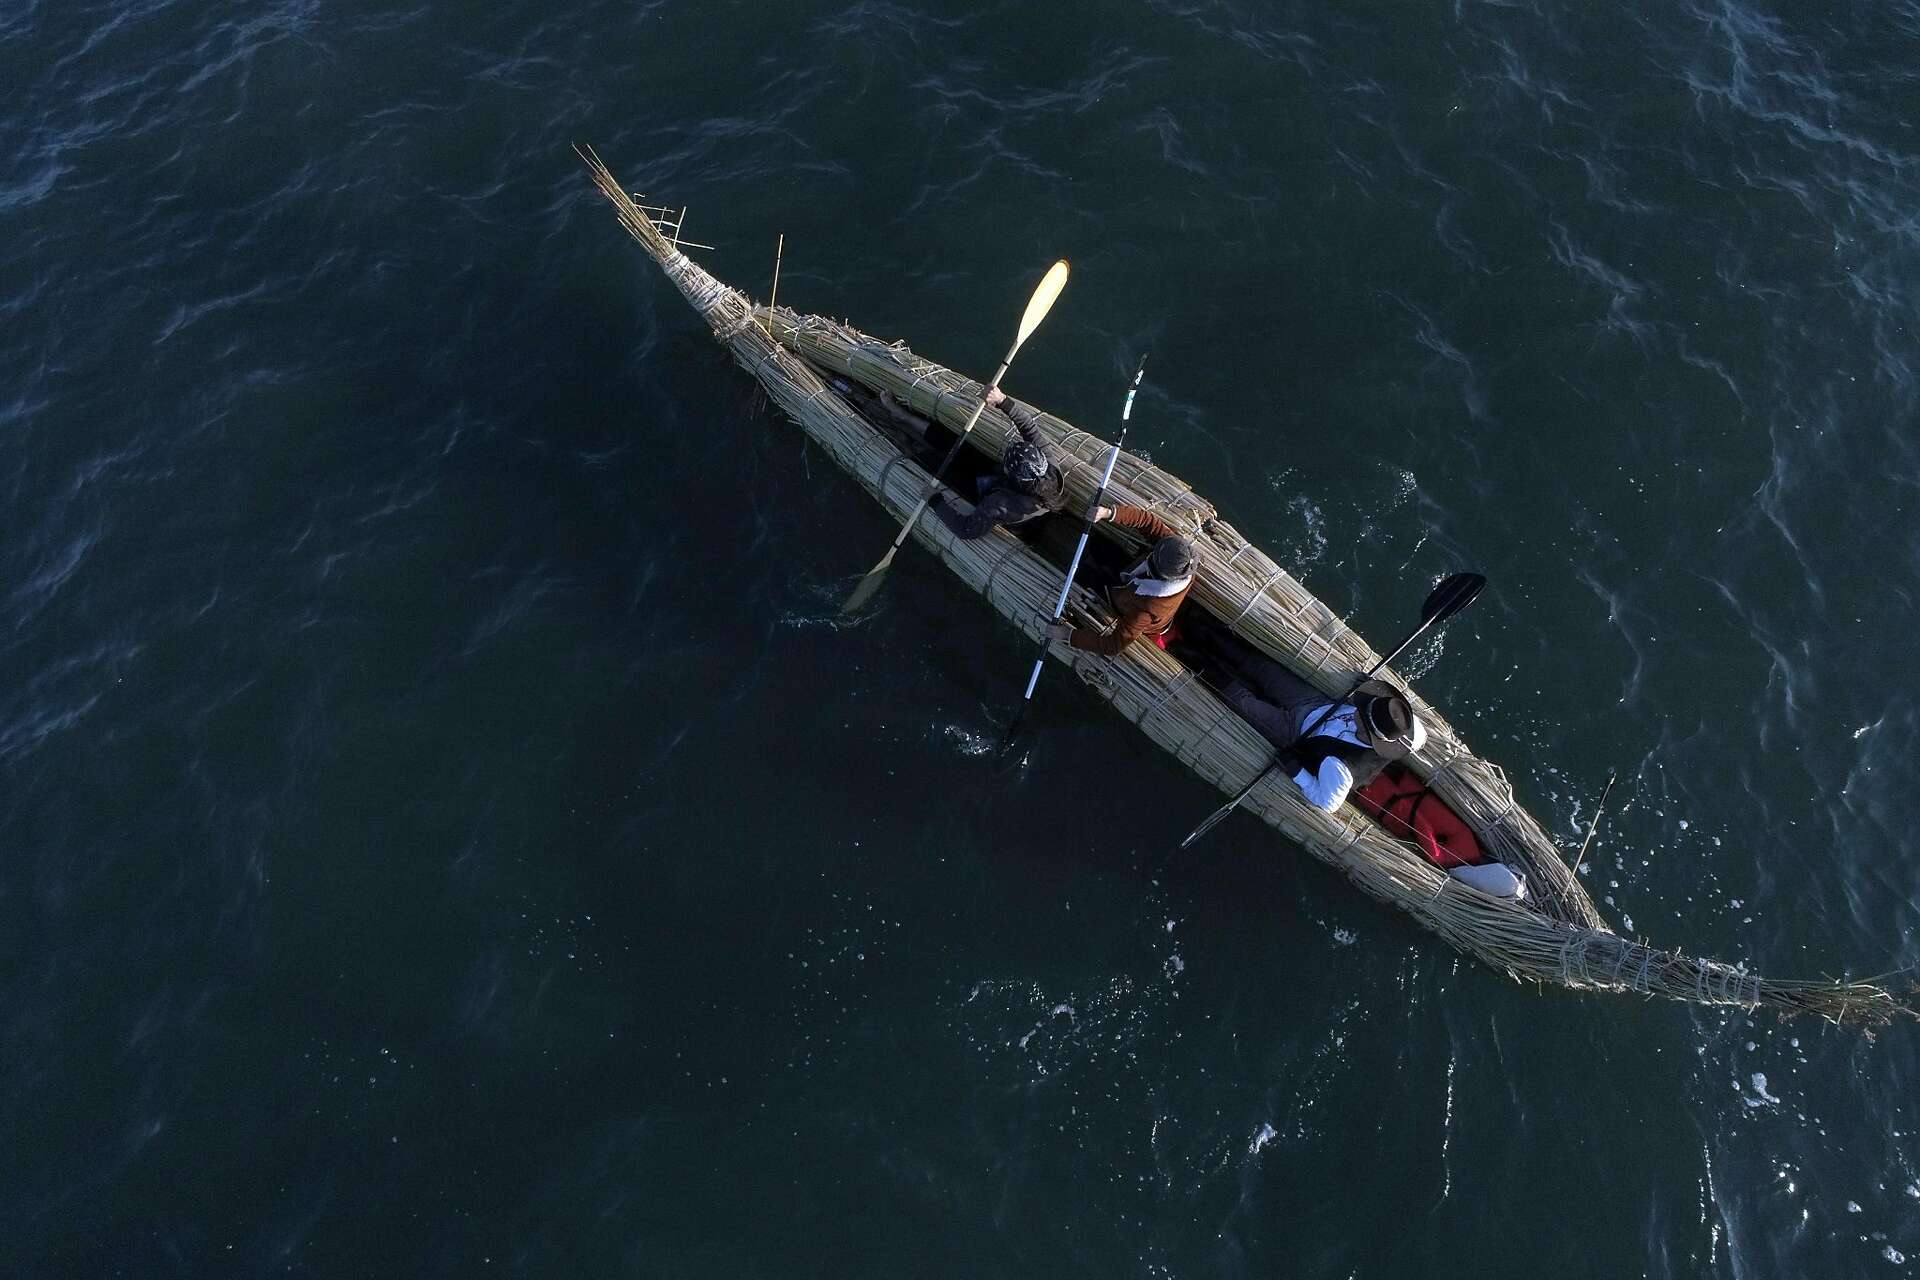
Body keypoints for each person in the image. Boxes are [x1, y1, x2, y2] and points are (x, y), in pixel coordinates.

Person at [1197, 632, 1426, 812]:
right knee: (1262, 669)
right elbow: (1414, 732)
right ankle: (1200, 628)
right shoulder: (1399, 721)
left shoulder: (1341, 769)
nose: (1361, 706)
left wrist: (1297, 773)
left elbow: (1328, 804)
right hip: (1317, 703)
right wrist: (1368, 686)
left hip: (1299, 734)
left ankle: (1188, 656)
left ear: (1370, 732)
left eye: (1363, 712)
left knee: (1241, 701)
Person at [1043, 506, 1198, 656]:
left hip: (1118, 600)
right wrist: (1109, 513)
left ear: (1157, 571)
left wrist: (1069, 636)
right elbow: (1147, 521)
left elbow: (1113, 645)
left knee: (1081, 571)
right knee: (1100, 546)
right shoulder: (1179, 554)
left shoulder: (1145, 611)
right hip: (1129, 576)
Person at [923, 386, 1070, 539]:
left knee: (946, 470)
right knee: (967, 454)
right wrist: (1001, 400)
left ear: (1013, 475)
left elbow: (966, 529)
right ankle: (920, 425)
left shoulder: (1000, 504)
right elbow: (1029, 427)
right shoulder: (1050, 468)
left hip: (987, 494)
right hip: (1005, 486)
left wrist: (935, 501)